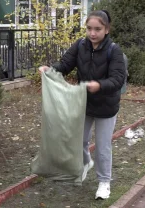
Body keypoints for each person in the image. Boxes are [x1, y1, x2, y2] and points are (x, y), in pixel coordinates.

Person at [38, 10, 125, 200]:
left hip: (106, 107)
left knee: (103, 147)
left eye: (98, 29)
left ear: (107, 30)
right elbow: (65, 64)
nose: (92, 33)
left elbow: (118, 79)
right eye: (89, 29)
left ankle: (104, 182)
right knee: (79, 142)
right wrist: (50, 69)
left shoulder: (114, 50)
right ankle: (86, 163)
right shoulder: (80, 45)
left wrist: (99, 85)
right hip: (83, 104)